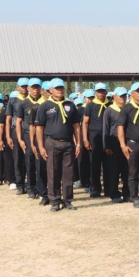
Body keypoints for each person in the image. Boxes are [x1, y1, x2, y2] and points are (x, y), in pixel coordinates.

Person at [34, 78, 82, 212]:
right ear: (51, 90)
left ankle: (68, 200)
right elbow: (39, 127)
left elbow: (76, 126)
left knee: (68, 173)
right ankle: (55, 201)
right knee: (53, 172)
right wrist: (41, 146)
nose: (60, 90)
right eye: (57, 88)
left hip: (68, 143)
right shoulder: (44, 106)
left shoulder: (70, 105)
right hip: (52, 142)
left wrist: (78, 143)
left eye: (61, 87)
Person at [15, 78, 45, 200]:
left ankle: (42, 189)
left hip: (42, 135)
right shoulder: (23, 104)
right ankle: (31, 189)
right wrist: (20, 139)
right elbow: (18, 122)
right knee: (30, 162)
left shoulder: (45, 102)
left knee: (41, 163)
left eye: (38, 87)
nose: (35, 89)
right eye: (33, 87)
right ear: (28, 88)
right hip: (28, 135)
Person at [103, 87, 130, 204]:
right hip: (113, 142)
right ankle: (114, 193)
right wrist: (106, 145)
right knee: (114, 169)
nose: (123, 98)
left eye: (124, 95)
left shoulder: (128, 109)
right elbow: (105, 128)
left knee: (127, 169)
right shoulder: (109, 110)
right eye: (120, 95)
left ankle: (127, 193)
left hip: (127, 142)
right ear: (114, 97)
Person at [83, 83, 110, 197]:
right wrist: (85, 139)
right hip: (94, 136)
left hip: (108, 136)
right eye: (99, 91)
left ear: (106, 92)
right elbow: (85, 123)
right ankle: (95, 188)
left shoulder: (110, 105)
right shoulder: (90, 106)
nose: (101, 93)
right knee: (95, 163)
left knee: (108, 164)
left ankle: (109, 188)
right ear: (95, 93)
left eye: (103, 91)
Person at [6, 78, 29, 193]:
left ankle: (31, 185)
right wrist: (8, 136)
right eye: (22, 86)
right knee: (18, 159)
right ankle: (20, 185)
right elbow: (8, 119)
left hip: (30, 131)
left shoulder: (33, 100)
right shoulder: (13, 101)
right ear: (18, 87)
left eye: (26, 86)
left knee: (30, 159)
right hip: (16, 131)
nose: (24, 88)